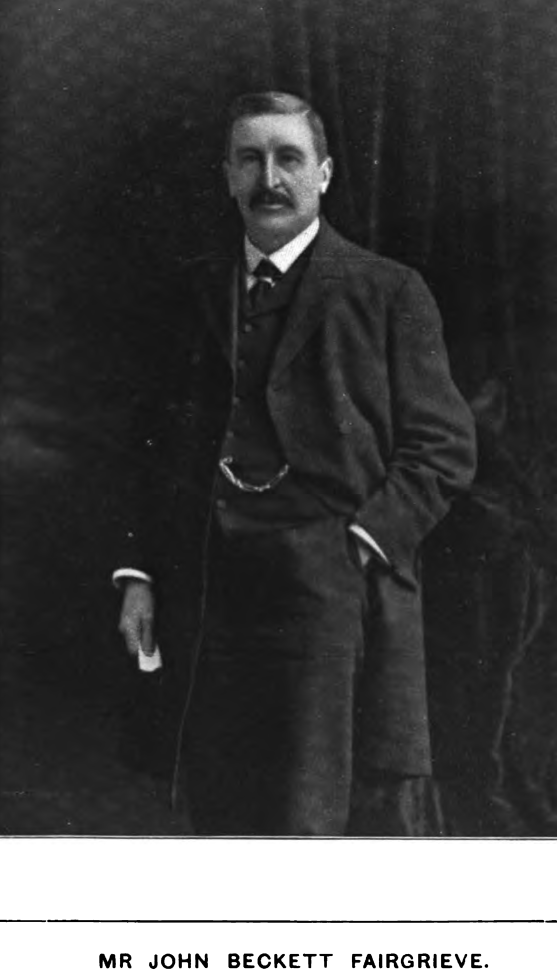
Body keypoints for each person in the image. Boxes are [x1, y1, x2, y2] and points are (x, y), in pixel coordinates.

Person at [115, 91, 476, 836]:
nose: (269, 179)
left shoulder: (387, 290)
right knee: (219, 807)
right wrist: (140, 573)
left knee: (310, 811)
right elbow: (149, 447)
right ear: (227, 175)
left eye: (288, 158)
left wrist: (362, 542)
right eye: (249, 160)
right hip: (208, 584)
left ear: (325, 173)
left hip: (329, 587)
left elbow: (443, 446)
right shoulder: (190, 290)